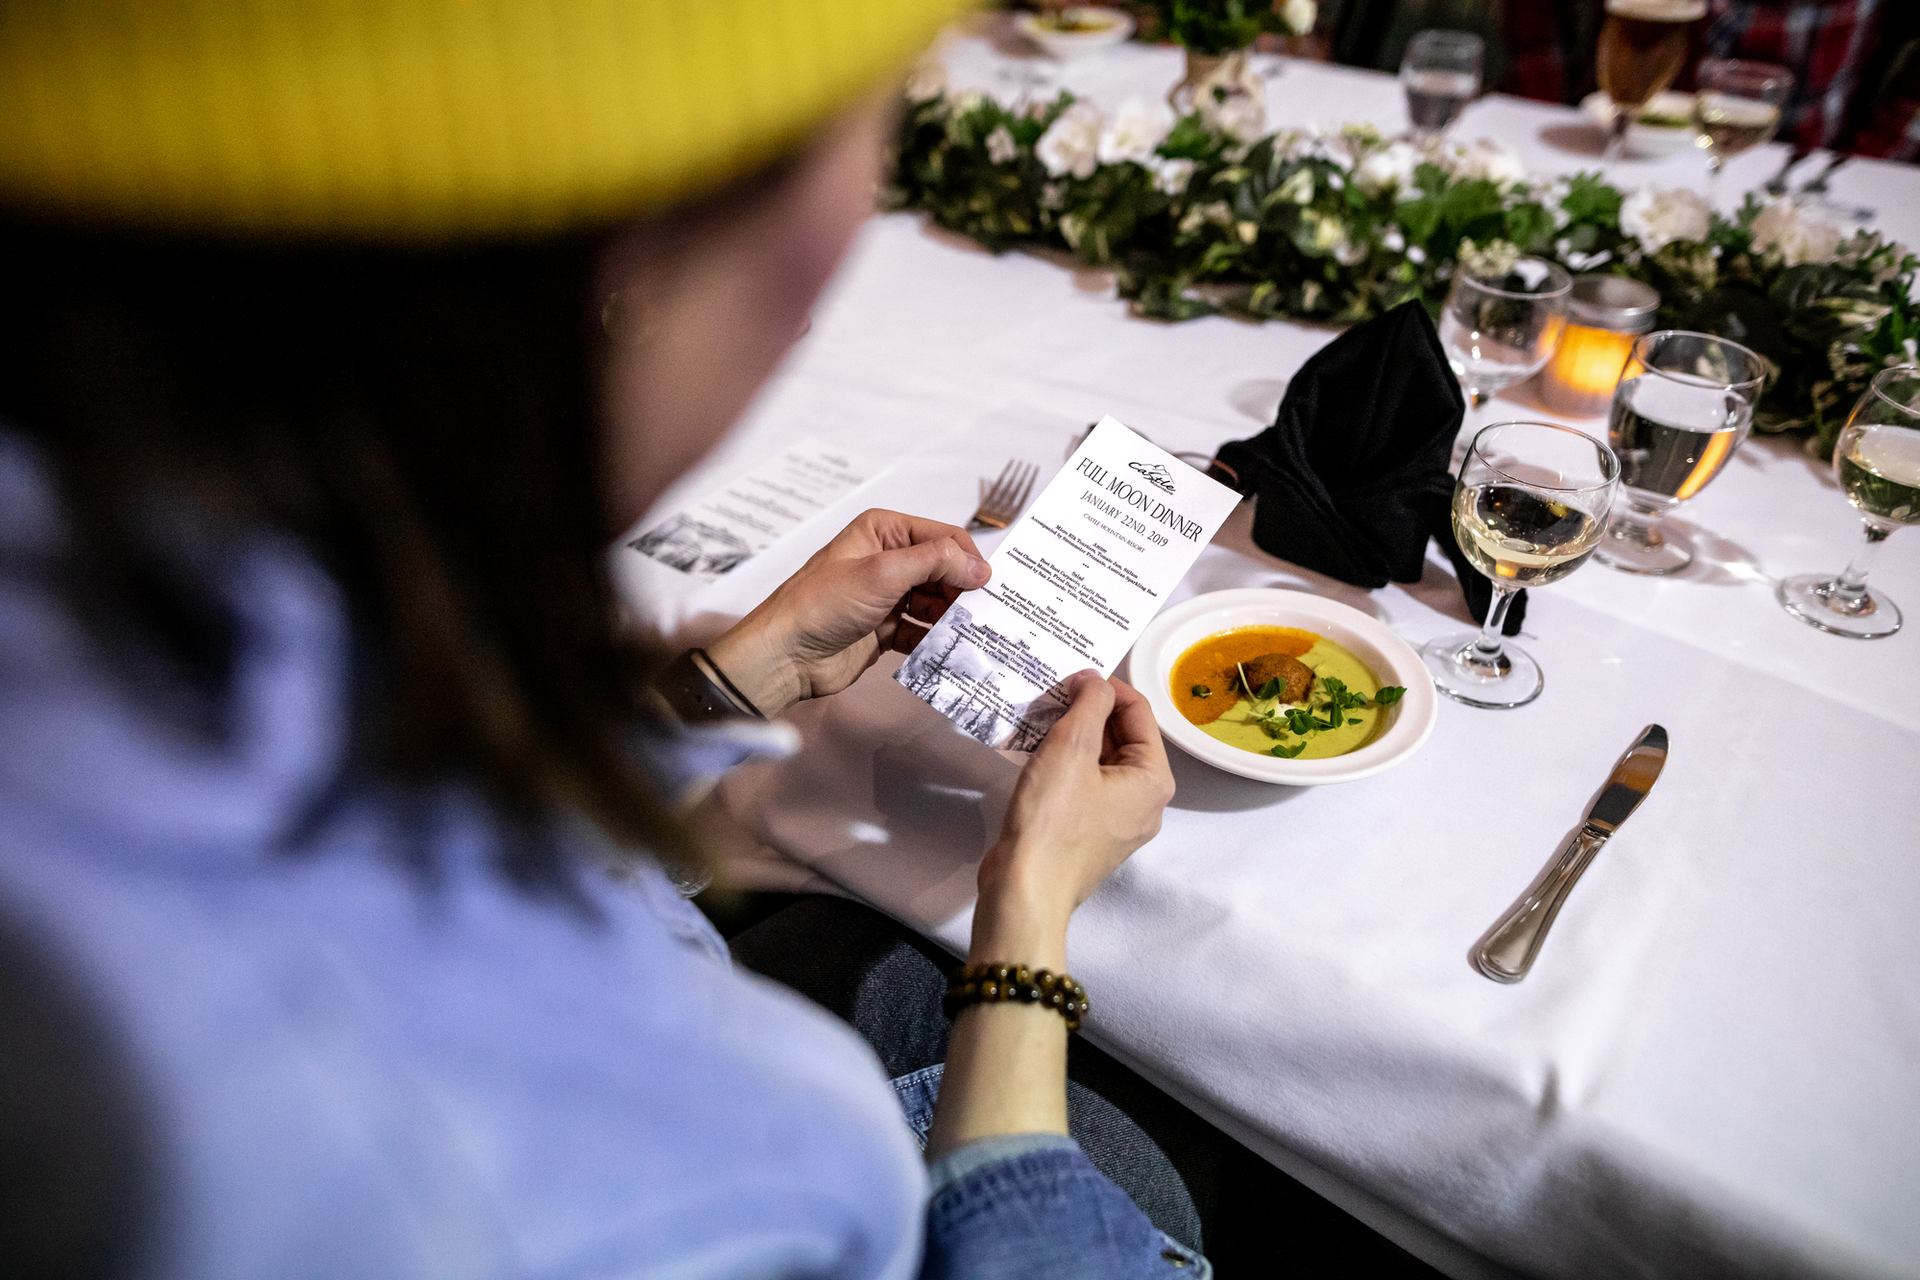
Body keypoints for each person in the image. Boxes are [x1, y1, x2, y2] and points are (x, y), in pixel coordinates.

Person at [0, 1, 1204, 1276]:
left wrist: (728, 681)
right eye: (875, 114)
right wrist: (1025, 922)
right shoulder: (639, 1167)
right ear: (626, 265)